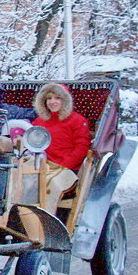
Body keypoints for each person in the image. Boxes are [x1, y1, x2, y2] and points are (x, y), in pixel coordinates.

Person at [32, 82, 91, 212]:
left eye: (57, 98)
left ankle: (46, 221)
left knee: (48, 184)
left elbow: (81, 148)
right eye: (49, 98)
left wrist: (63, 166)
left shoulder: (77, 120)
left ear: (65, 100)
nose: (52, 102)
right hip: (43, 166)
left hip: (68, 168)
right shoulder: (39, 122)